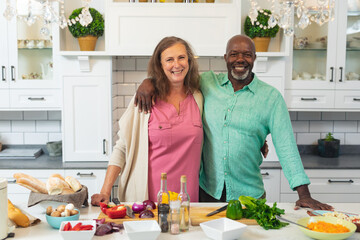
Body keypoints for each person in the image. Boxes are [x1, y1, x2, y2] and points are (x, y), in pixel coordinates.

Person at [134, 35, 333, 210]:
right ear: (225, 58)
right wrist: (149, 81)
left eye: (247, 54)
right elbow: (175, 76)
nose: (240, 59)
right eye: (234, 54)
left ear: (254, 58)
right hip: (207, 194)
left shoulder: (271, 98)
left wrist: (304, 195)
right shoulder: (207, 83)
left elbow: (287, 147)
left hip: (249, 197)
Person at [91, 36, 204, 205]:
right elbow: (122, 147)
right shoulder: (144, 99)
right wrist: (105, 191)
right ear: (160, 65)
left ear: (189, 60)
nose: (177, 64)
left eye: (181, 57)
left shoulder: (198, 97)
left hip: (188, 198)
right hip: (148, 199)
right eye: (169, 60)